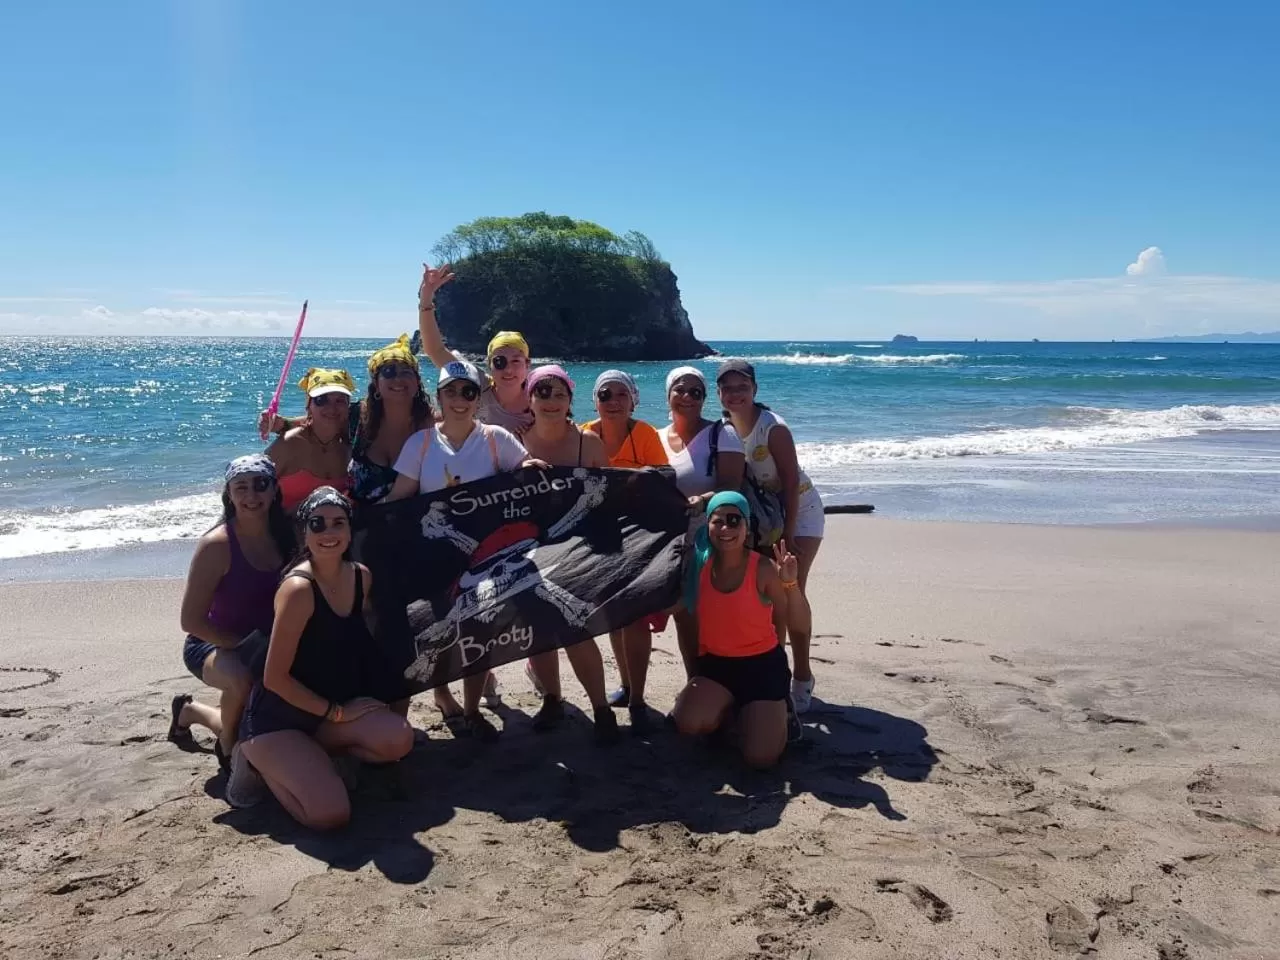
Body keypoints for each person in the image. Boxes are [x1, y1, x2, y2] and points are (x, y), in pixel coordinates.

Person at [382, 359, 544, 740]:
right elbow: (399, 497)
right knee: (434, 631)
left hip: (482, 559)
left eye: (468, 391)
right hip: (430, 559)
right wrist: (359, 522)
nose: (460, 399)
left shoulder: (495, 439)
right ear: (439, 396)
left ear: (478, 397)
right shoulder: (420, 443)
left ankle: (472, 711)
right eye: (451, 391)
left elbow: (524, 477)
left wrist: (533, 466)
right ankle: (438, 695)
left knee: (479, 633)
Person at [233, 488, 413, 829]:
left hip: (325, 715)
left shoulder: (361, 575)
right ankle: (256, 761)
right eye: (317, 524)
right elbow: (275, 679)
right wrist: (338, 712)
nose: (328, 533)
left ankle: (314, 759)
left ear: (349, 530)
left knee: (398, 739)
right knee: (330, 815)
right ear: (304, 532)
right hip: (279, 718)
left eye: (337, 523)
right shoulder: (298, 589)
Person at [517, 365, 621, 744]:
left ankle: (600, 708)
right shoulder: (515, 442)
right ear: (529, 399)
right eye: (542, 393)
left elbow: (609, 498)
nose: (550, 401)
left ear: (570, 401)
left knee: (575, 629)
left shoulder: (588, 443)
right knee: (540, 634)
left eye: (559, 393)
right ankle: (552, 699)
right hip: (528, 552)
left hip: (578, 550)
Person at [170, 455, 295, 765]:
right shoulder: (216, 545)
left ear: (274, 490)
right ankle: (227, 750)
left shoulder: (289, 534)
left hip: (267, 643)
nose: (251, 496)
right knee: (242, 680)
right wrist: (245, 646)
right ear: (228, 493)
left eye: (260, 485)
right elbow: (190, 621)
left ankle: (189, 711)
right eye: (241, 487)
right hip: (212, 643)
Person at [671, 492, 810, 769]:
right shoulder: (697, 566)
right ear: (707, 525)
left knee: (760, 758)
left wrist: (790, 584)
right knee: (687, 723)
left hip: (762, 668)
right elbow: (678, 615)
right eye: (717, 521)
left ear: (747, 527)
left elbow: (798, 622)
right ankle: (735, 712)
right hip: (716, 667)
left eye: (734, 520)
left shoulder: (764, 568)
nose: (725, 529)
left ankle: (782, 710)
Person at [716, 359, 823, 713]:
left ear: (755, 390)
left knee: (792, 592)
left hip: (800, 515)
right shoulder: (725, 427)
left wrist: (788, 536)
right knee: (770, 600)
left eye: (742, 387)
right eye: (727, 388)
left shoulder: (772, 428)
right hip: (764, 520)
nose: (735, 394)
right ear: (719, 393)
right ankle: (774, 673)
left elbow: (790, 485)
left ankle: (803, 677)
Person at [581, 369, 670, 726]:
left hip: (639, 537)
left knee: (633, 618)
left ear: (633, 399)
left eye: (621, 395)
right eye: (605, 395)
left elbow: (664, 479)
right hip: (601, 540)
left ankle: (637, 699)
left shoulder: (644, 434)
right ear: (595, 401)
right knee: (613, 618)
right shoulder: (586, 434)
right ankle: (624, 683)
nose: (613, 402)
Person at [659, 366, 746, 676]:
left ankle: (723, 681)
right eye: (680, 390)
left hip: (712, 540)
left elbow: (733, 487)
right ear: (668, 394)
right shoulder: (654, 438)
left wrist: (704, 500)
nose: (687, 397)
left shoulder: (722, 433)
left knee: (714, 612)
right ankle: (696, 680)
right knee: (685, 614)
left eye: (696, 392)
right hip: (670, 544)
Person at [416, 261, 534, 434]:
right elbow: (436, 351)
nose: (508, 370)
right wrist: (426, 299)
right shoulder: (479, 385)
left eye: (516, 361)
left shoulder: (540, 397)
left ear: (527, 364)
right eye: (500, 361)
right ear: (489, 365)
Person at [266, 369, 354, 513]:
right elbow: (253, 486)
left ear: (348, 406)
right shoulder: (289, 443)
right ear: (309, 406)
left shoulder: (349, 445)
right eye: (321, 400)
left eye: (339, 401)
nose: (331, 408)